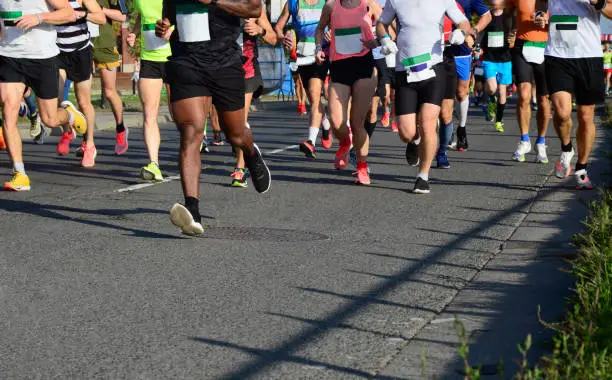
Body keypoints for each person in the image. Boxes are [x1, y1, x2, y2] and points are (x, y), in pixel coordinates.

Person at [156, 0, 272, 235]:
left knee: (235, 134)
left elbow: (254, 9)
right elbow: (169, 16)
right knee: (191, 132)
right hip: (186, 63)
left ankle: (250, 152)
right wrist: (164, 26)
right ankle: (192, 210)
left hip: (225, 64)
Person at [377, 0, 474, 193]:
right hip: (405, 69)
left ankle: (423, 176)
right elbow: (381, 23)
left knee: (428, 122)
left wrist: (461, 32)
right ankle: (415, 140)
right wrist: (385, 39)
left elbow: (464, 23)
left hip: (433, 69)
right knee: (406, 132)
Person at [0, 0, 87, 191]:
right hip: (9, 56)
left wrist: (39, 17)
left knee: (50, 119)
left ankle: (69, 114)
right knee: (8, 112)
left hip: (42, 57)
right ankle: (20, 174)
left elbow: (68, 13)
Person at [314, 0, 381, 184]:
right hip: (339, 67)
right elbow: (320, 29)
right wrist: (318, 48)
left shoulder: (368, 4)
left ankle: (362, 166)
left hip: (364, 67)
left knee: (357, 122)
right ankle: (345, 141)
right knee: (337, 122)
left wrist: (376, 42)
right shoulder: (330, 6)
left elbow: (387, 29)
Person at [546, 0, 610, 190]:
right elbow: (541, 5)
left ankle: (581, 168)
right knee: (562, 112)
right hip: (557, 53)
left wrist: (598, 3)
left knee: (585, 116)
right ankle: (567, 149)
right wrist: (541, 14)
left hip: (589, 55)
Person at [275, 0, 332, 158]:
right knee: (313, 99)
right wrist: (282, 38)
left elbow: (339, 22)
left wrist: (332, 32)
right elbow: (278, 27)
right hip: (301, 56)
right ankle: (326, 125)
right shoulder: (293, 3)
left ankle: (311, 142)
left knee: (314, 93)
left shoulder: (328, 2)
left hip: (321, 53)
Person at [127, 0, 173, 182]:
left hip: (174, 56)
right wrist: (134, 33)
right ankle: (154, 164)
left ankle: (196, 142)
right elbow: (141, 16)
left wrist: (173, 30)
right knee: (149, 113)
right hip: (149, 59)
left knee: (178, 113)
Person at [55, 0, 105, 167]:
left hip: (81, 52)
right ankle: (68, 132)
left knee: (84, 101)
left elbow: (101, 18)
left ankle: (89, 144)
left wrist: (83, 14)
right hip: (58, 51)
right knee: (56, 98)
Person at [231, 10, 277, 188]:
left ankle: (240, 169)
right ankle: (249, 151)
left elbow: (273, 38)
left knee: (239, 122)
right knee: (227, 125)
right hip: (221, 69)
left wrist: (260, 30)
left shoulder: (253, 6)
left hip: (247, 70)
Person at [440, 0, 491, 153]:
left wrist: (473, 32)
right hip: (438, 49)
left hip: (461, 51)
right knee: (440, 93)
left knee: (461, 93)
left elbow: (487, 16)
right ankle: (444, 131)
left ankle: (461, 129)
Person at [505, 0, 551, 163]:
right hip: (521, 46)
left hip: (547, 48)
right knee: (524, 95)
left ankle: (541, 142)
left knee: (543, 99)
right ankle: (524, 140)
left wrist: (548, 21)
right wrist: (509, 33)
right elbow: (507, 13)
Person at [92, 0, 128, 155]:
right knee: (82, 96)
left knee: (109, 92)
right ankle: (87, 143)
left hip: (104, 45)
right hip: (81, 44)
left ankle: (120, 128)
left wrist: (99, 9)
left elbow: (122, 17)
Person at [481, 0, 512, 133]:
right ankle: (491, 101)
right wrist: (479, 48)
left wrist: (512, 39)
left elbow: (514, 32)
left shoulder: (508, 16)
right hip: (490, 59)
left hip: (505, 59)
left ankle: (499, 121)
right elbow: (482, 34)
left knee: (502, 91)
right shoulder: (487, 16)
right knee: (493, 89)